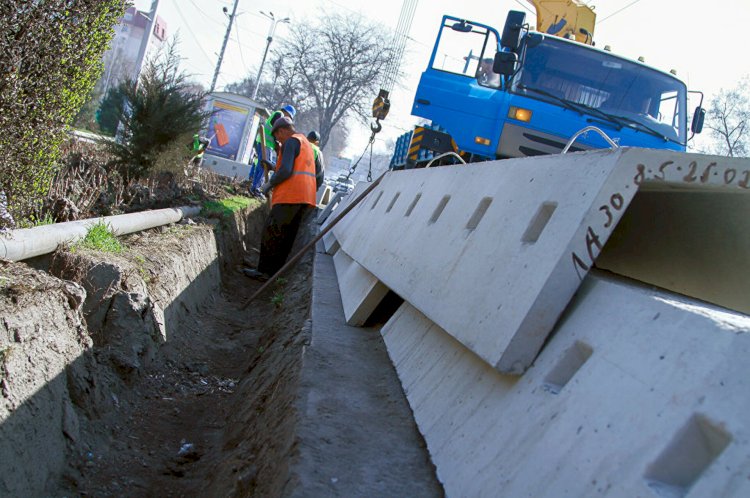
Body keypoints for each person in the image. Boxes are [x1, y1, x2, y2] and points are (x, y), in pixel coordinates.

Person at [244, 116, 317, 281]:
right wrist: (272, 166)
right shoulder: (304, 141)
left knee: (271, 232)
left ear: (282, 130)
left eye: (277, 136)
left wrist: (268, 185)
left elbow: (286, 171)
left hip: (290, 196)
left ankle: (263, 271)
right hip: (304, 198)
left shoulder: (291, 142)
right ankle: (274, 274)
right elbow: (291, 167)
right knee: (285, 237)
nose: (277, 140)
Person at [248, 104, 298, 198]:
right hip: (265, 143)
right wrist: (277, 142)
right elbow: (275, 129)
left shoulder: (277, 114)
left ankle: (254, 187)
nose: (288, 118)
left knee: (262, 166)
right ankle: (257, 189)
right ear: (286, 112)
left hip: (264, 143)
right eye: (289, 116)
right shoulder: (279, 115)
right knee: (266, 166)